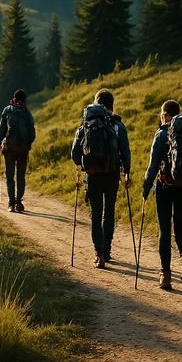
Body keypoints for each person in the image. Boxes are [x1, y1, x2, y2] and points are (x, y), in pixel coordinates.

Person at [142, 99, 182, 291]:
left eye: (161, 114)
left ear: (166, 115)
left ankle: (165, 275)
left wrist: (145, 188)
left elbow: (152, 166)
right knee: (181, 230)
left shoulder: (162, 134)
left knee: (164, 231)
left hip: (165, 187)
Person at [71, 88, 131, 269]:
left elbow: (74, 153)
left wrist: (84, 164)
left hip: (93, 176)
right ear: (112, 105)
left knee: (96, 215)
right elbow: (125, 152)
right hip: (112, 175)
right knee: (109, 212)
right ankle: (108, 249)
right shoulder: (118, 126)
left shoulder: (86, 124)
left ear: (96, 104)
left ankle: (99, 254)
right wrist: (126, 172)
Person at [0, 89, 36, 213]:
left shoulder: (7, 110)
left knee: (9, 176)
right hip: (23, 150)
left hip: (9, 149)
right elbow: (32, 133)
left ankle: (11, 202)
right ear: (24, 100)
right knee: (20, 177)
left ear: (14, 98)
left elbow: (2, 129)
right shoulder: (27, 113)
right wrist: (27, 145)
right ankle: (18, 202)